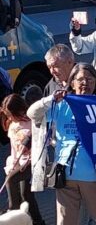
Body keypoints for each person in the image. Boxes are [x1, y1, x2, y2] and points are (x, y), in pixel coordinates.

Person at [27, 63, 96, 225]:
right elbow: (32, 113)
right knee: (65, 221)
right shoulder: (61, 105)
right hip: (65, 175)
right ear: (72, 83)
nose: (86, 83)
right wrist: (50, 99)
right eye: (81, 79)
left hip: (93, 175)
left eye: (90, 79)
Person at [1, 94, 44, 225]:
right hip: (20, 163)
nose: (10, 118)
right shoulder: (12, 125)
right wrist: (13, 164)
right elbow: (14, 148)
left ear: (20, 110)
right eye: (8, 115)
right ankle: (38, 221)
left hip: (33, 163)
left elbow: (41, 143)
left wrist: (31, 148)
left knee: (11, 180)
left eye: (11, 114)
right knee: (27, 196)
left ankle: (12, 210)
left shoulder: (32, 123)